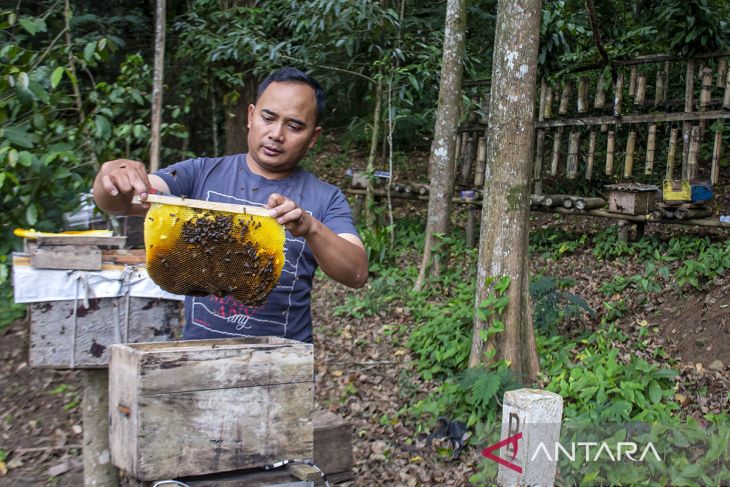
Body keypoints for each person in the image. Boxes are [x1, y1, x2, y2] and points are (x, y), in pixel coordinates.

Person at [93, 67, 368, 343]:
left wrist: (311, 228)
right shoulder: (198, 174)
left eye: (294, 126)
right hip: (199, 358)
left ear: (313, 137)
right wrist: (112, 175)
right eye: (268, 118)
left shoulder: (326, 198)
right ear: (250, 116)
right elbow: (122, 202)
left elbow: (356, 273)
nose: (276, 134)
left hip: (283, 368)